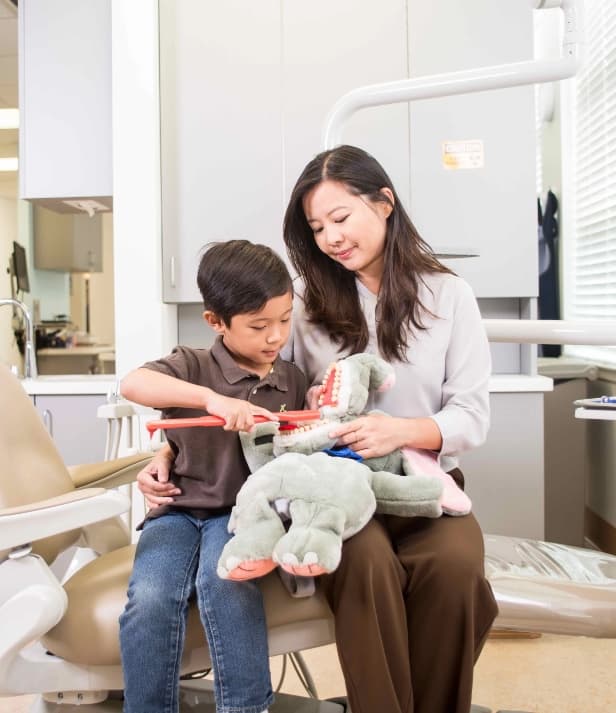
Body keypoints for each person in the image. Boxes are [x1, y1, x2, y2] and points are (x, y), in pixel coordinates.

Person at [138, 145, 499, 713]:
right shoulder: (303, 308)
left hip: (427, 483)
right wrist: (168, 446)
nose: (330, 237)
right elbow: (258, 391)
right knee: (366, 567)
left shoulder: (450, 296)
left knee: (455, 572)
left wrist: (399, 432)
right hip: (331, 491)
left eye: (340, 218)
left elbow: (471, 417)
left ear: (384, 204)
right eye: (316, 227)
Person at [118, 240, 307, 713]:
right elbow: (133, 384)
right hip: (177, 512)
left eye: (285, 320)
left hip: (242, 516)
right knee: (151, 598)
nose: (275, 336)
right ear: (216, 322)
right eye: (259, 326)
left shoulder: (293, 381)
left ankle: (245, 707)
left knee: (225, 582)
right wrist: (211, 400)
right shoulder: (193, 366)